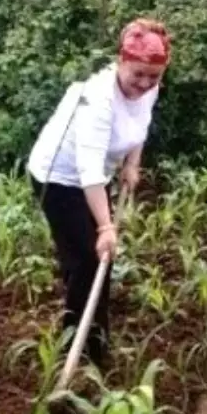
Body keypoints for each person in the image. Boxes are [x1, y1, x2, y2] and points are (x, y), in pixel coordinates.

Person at [26, 18, 172, 367]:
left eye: (154, 77)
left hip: (94, 179)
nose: (145, 83)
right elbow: (88, 169)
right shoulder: (97, 100)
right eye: (137, 74)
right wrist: (106, 227)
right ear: (120, 61)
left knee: (93, 262)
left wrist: (132, 164)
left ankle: (95, 339)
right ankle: (77, 351)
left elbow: (141, 124)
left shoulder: (149, 87)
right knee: (89, 259)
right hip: (58, 178)